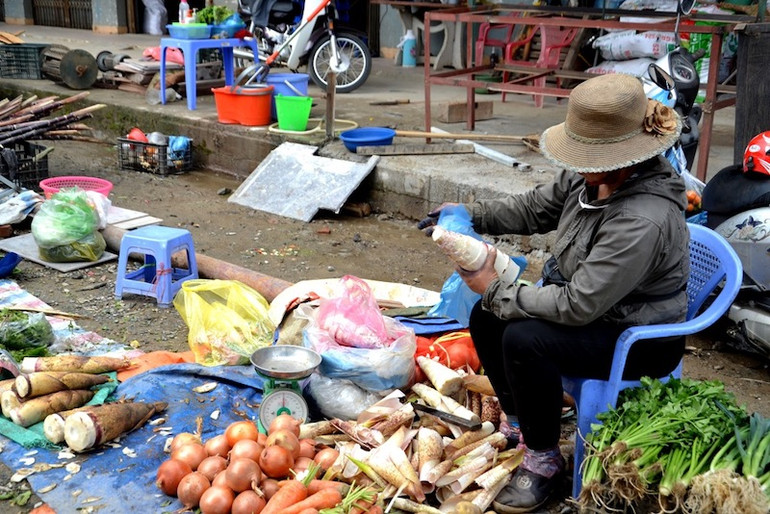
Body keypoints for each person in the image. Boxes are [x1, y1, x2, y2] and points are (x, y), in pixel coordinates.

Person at [418, 73, 690, 513]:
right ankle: (530, 428)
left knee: (523, 338)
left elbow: (578, 304)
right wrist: (471, 214)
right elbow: (534, 207)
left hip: (637, 339)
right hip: (595, 315)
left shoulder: (643, 218)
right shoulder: (595, 178)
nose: (579, 165)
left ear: (624, 155)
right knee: (488, 317)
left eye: (588, 155)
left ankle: (546, 462)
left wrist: (497, 289)